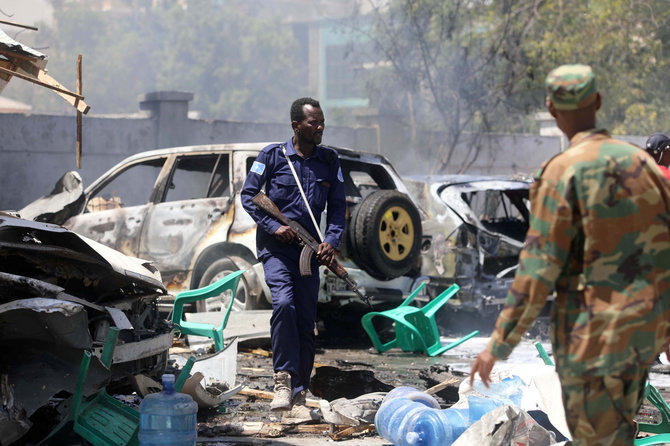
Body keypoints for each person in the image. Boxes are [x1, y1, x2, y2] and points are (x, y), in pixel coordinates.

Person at [469, 64, 670, 445]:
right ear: (598, 101)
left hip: (589, 336)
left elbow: (538, 269)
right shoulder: (644, 166)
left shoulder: (560, 171)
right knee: (621, 430)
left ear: (550, 108)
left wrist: (498, 345)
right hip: (639, 334)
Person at [241, 97, 346, 416]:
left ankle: (300, 391)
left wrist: (330, 240)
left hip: (309, 251)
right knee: (284, 305)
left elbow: (339, 208)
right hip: (276, 249)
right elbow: (249, 195)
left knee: (305, 320)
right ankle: (283, 380)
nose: (320, 127)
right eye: (314, 123)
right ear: (296, 126)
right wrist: (274, 227)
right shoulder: (271, 156)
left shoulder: (329, 160)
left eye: (322, 122)